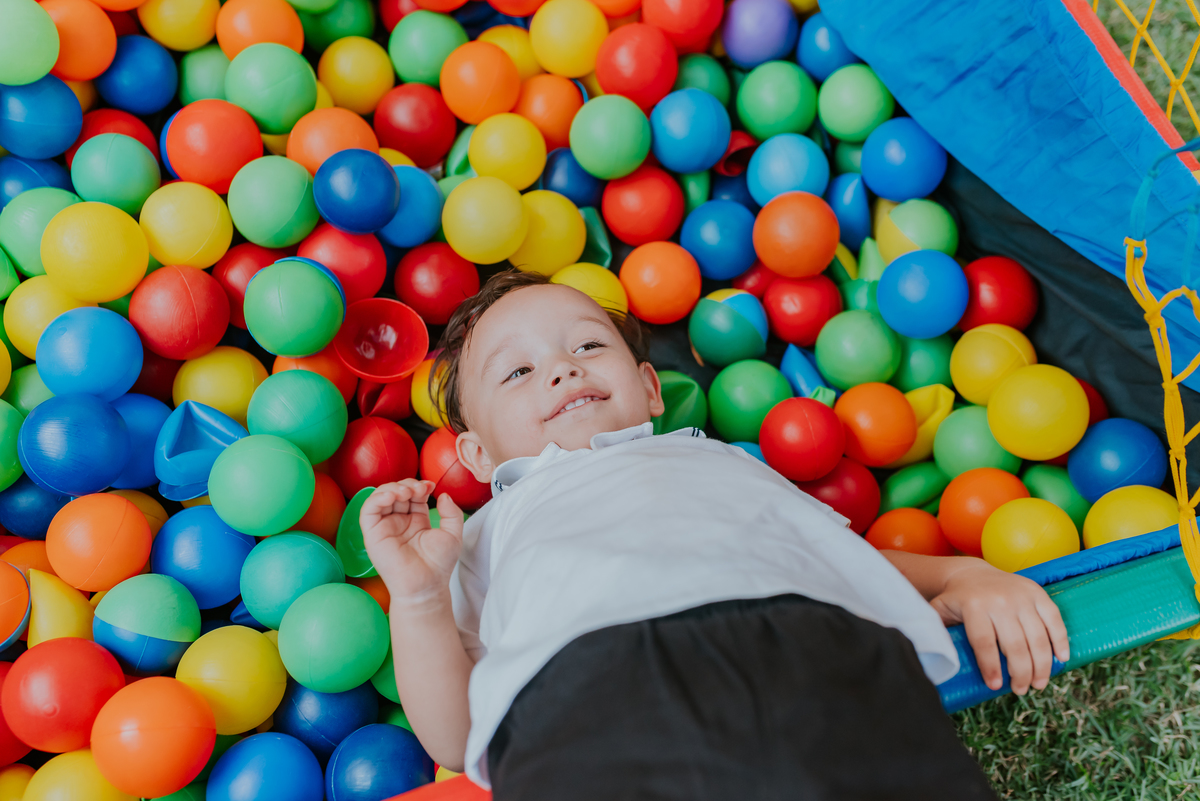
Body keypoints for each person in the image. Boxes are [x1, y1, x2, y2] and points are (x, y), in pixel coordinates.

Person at [361, 270, 1067, 799]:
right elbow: (455, 734)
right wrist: (419, 597)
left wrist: (960, 574)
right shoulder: (484, 532)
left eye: (588, 344)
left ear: (650, 388)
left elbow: (838, 557)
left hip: (814, 648)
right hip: (585, 697)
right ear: (479, 457)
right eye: (518, 371)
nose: (562, 367)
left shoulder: (716, 458)